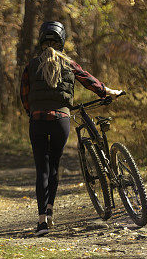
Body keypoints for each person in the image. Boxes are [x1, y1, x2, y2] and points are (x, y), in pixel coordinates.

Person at [20, 21, 123, 237]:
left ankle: (41, 222)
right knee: (55, 165)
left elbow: (24, 95)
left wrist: (33, 113)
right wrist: (107, 92)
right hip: (61, 120)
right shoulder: (69, 64)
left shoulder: (31, 65)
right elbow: (88, 80)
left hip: (38, 120)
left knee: (42, 169)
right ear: (62, 42)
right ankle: (50, 210)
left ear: (41, 42)